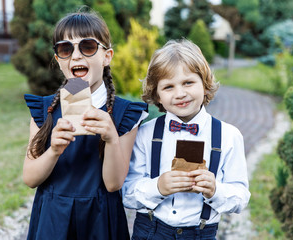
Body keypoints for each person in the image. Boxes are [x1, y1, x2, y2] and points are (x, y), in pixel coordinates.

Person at [23, 10, 148, 240]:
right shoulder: (45, 111)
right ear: (58, 59)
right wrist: (53, 150)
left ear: (107, 56)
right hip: (53, 219)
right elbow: (30, 178)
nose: (76, 55)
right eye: (65, 49)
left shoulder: (125, 114)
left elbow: (113, 184)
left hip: (100, 221)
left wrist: (110, 137)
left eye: (88, 46)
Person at [122, 39, 251, 239]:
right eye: (168, 87)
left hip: (201, 233)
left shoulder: (229, 136)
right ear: (157, 96)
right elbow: (126, 192)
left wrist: (215, 190)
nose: (180, 94)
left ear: (205, 84)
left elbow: (240, 197)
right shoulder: (145, 134)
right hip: (150, 231)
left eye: (188, 83)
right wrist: (157, 187)